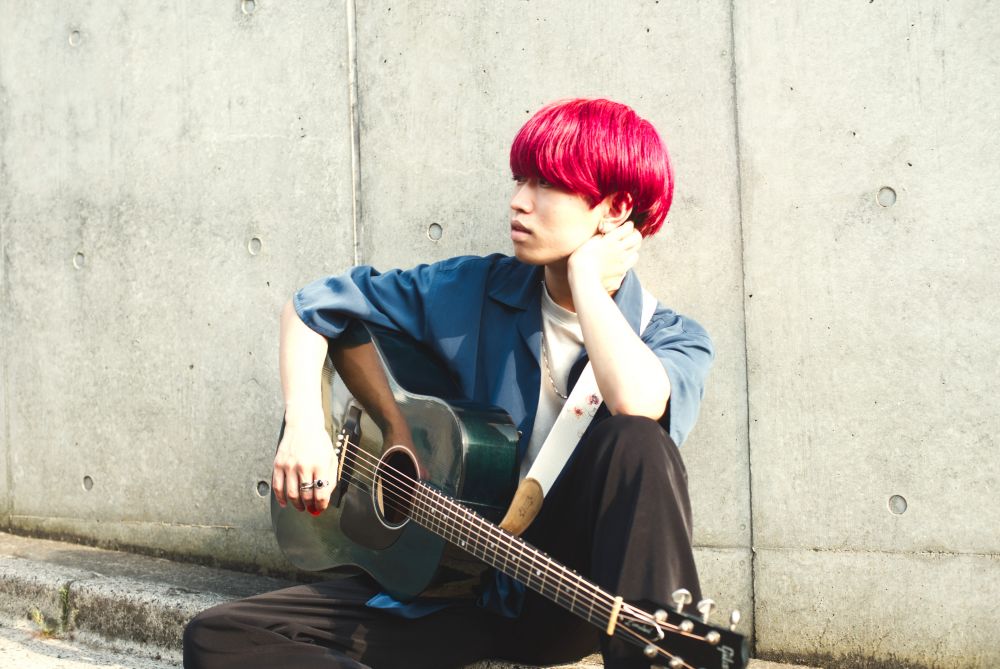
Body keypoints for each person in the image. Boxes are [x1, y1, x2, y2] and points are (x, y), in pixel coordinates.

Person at [183, 98, 714, 669]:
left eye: (545, 184)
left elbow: (636, 404)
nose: (518, 200)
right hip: (448, 588)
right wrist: (306, 425)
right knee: (217, 637)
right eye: (519, 180)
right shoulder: (474, 287)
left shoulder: (669, 337)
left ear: (616, 208)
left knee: (635, 441)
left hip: (561, 604)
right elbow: (313, 308)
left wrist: (586, 277)